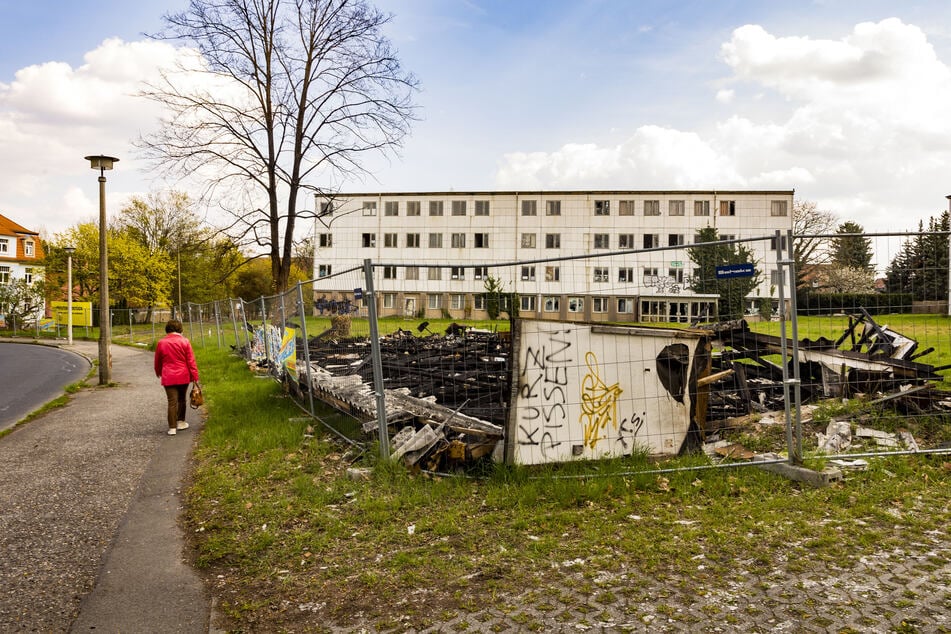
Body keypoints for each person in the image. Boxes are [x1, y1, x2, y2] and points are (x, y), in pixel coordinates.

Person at [154, 319, 200, 436]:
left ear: (167, 329)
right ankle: (181, 421)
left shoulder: (161, 343)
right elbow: (191, 361)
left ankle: (172, 428)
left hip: (168, 376)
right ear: (180, 329)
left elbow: (158, 361)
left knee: (172, 402)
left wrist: (158, 372)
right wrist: (194, 376)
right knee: (181, 399)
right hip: (183, 375)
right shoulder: (185, 341)